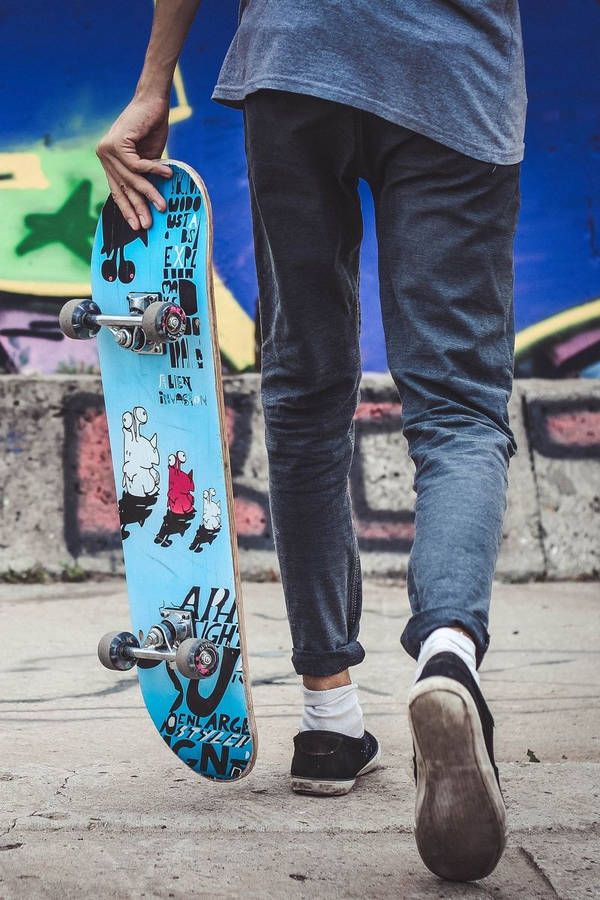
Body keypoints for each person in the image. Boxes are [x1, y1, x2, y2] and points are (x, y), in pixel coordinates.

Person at [97, 0, 526, 883]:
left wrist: (151, 86)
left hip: (297, 58)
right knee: (457, 408)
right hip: (458, 75)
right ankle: (447, 657)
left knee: (305, 386)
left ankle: (329, 721)